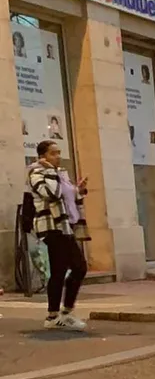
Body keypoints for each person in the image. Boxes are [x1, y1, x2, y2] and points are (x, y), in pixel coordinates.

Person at [26, 137, 89, 330]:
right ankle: (61, 314)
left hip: (65, 227)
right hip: (53, 228)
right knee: (78, 267)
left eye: (59, 153)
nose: (58, 157)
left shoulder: (60, 173)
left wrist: (79, 189)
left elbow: (67, 196)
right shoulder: (36, 173)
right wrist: (51, 172)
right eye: (53, 153)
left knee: (62, 271)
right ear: (42, 156)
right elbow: (51, 193)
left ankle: (56, 315)